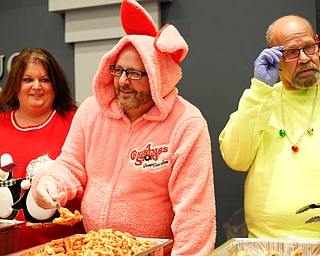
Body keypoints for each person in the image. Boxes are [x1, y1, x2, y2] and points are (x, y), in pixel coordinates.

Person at [31, 0, 216, 255]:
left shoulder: (186, 123)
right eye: (118, 70)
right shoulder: (90, 111)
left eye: (135, 73)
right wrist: (50, 181)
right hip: (96, 248)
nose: (123, 81)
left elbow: (194, 212)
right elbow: (71, 165)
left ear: (157, 78)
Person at [219, 14, 320, 239]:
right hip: (268, 245)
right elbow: (236, 158)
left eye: (309, 47)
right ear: (275, 58)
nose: (304, 58)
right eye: (292, 52)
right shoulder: (262, 100)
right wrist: (260, 90)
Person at [0, 48, 85, 251]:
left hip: (66, 249)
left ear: (55, 84)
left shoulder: (77, 121)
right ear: (15, 85)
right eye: (28, 79)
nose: (36, 87)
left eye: (45, 80)